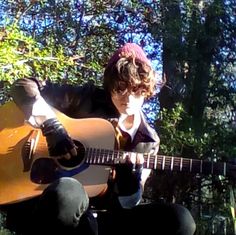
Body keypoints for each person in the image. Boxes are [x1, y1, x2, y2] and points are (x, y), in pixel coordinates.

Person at [1, 43, 196, 235]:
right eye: (120, 88)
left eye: (136, 90)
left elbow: (128, 203)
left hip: (104, 217)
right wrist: (52, 128)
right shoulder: (87, 98)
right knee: (68, 192)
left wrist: (128, 179)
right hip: (55, 207)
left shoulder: (148, 141)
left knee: (180, 219)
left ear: (146, 90)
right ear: (110, 85)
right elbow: (23, 86)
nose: (128, 98)